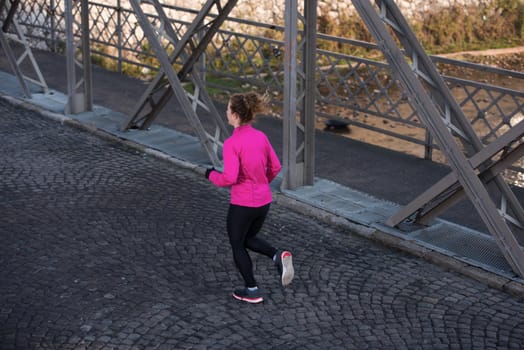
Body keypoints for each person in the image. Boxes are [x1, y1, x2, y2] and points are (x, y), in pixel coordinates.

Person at [205, 91, 294, 304]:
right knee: (248, 239)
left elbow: (230, 177)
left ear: (235, 115)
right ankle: (277, 255)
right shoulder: (261, 137)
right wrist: (263, 181)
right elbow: (276, 166)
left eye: (227, 109)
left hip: (243, 203)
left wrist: (210, 174)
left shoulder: (231, 144)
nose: (226, 112)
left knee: (237, 244)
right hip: (263, 201)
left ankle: (252, 289)